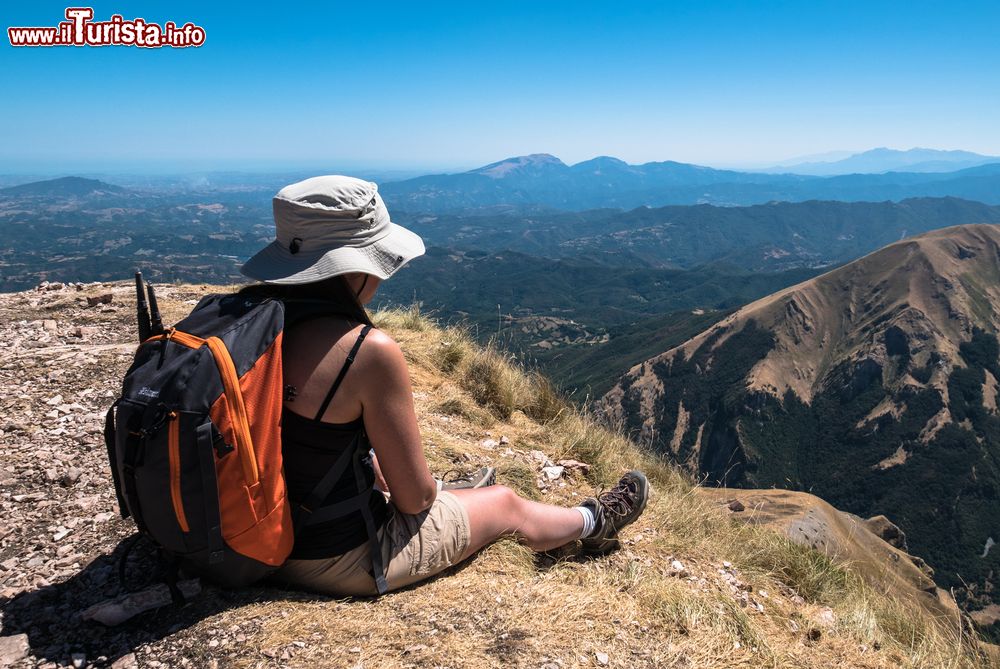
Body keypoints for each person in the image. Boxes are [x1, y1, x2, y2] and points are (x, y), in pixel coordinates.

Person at [240, 175, 649, 596]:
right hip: (326, 557)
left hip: (239, 536)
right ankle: (594, 521)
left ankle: (467, 495)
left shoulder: (239, 322)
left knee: (422, 482)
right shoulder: (363, 351)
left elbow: (292, 438)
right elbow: (414, 501)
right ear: (356, 265)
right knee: (505, 503)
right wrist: (428, 491)